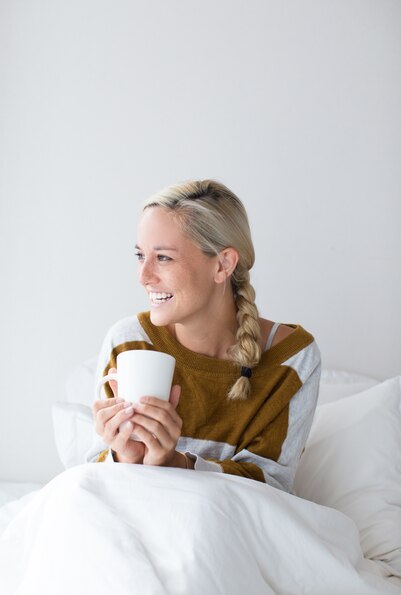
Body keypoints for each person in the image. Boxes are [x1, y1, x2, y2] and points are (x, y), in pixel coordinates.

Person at [87, 179, 321, 492]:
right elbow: (93, 476)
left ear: (223, 264)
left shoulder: (293, 359)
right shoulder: (129, 342)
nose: (143, 277)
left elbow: (271, 488)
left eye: (164, 258)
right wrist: (123, 456)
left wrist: (177, 464)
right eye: (140, 256)